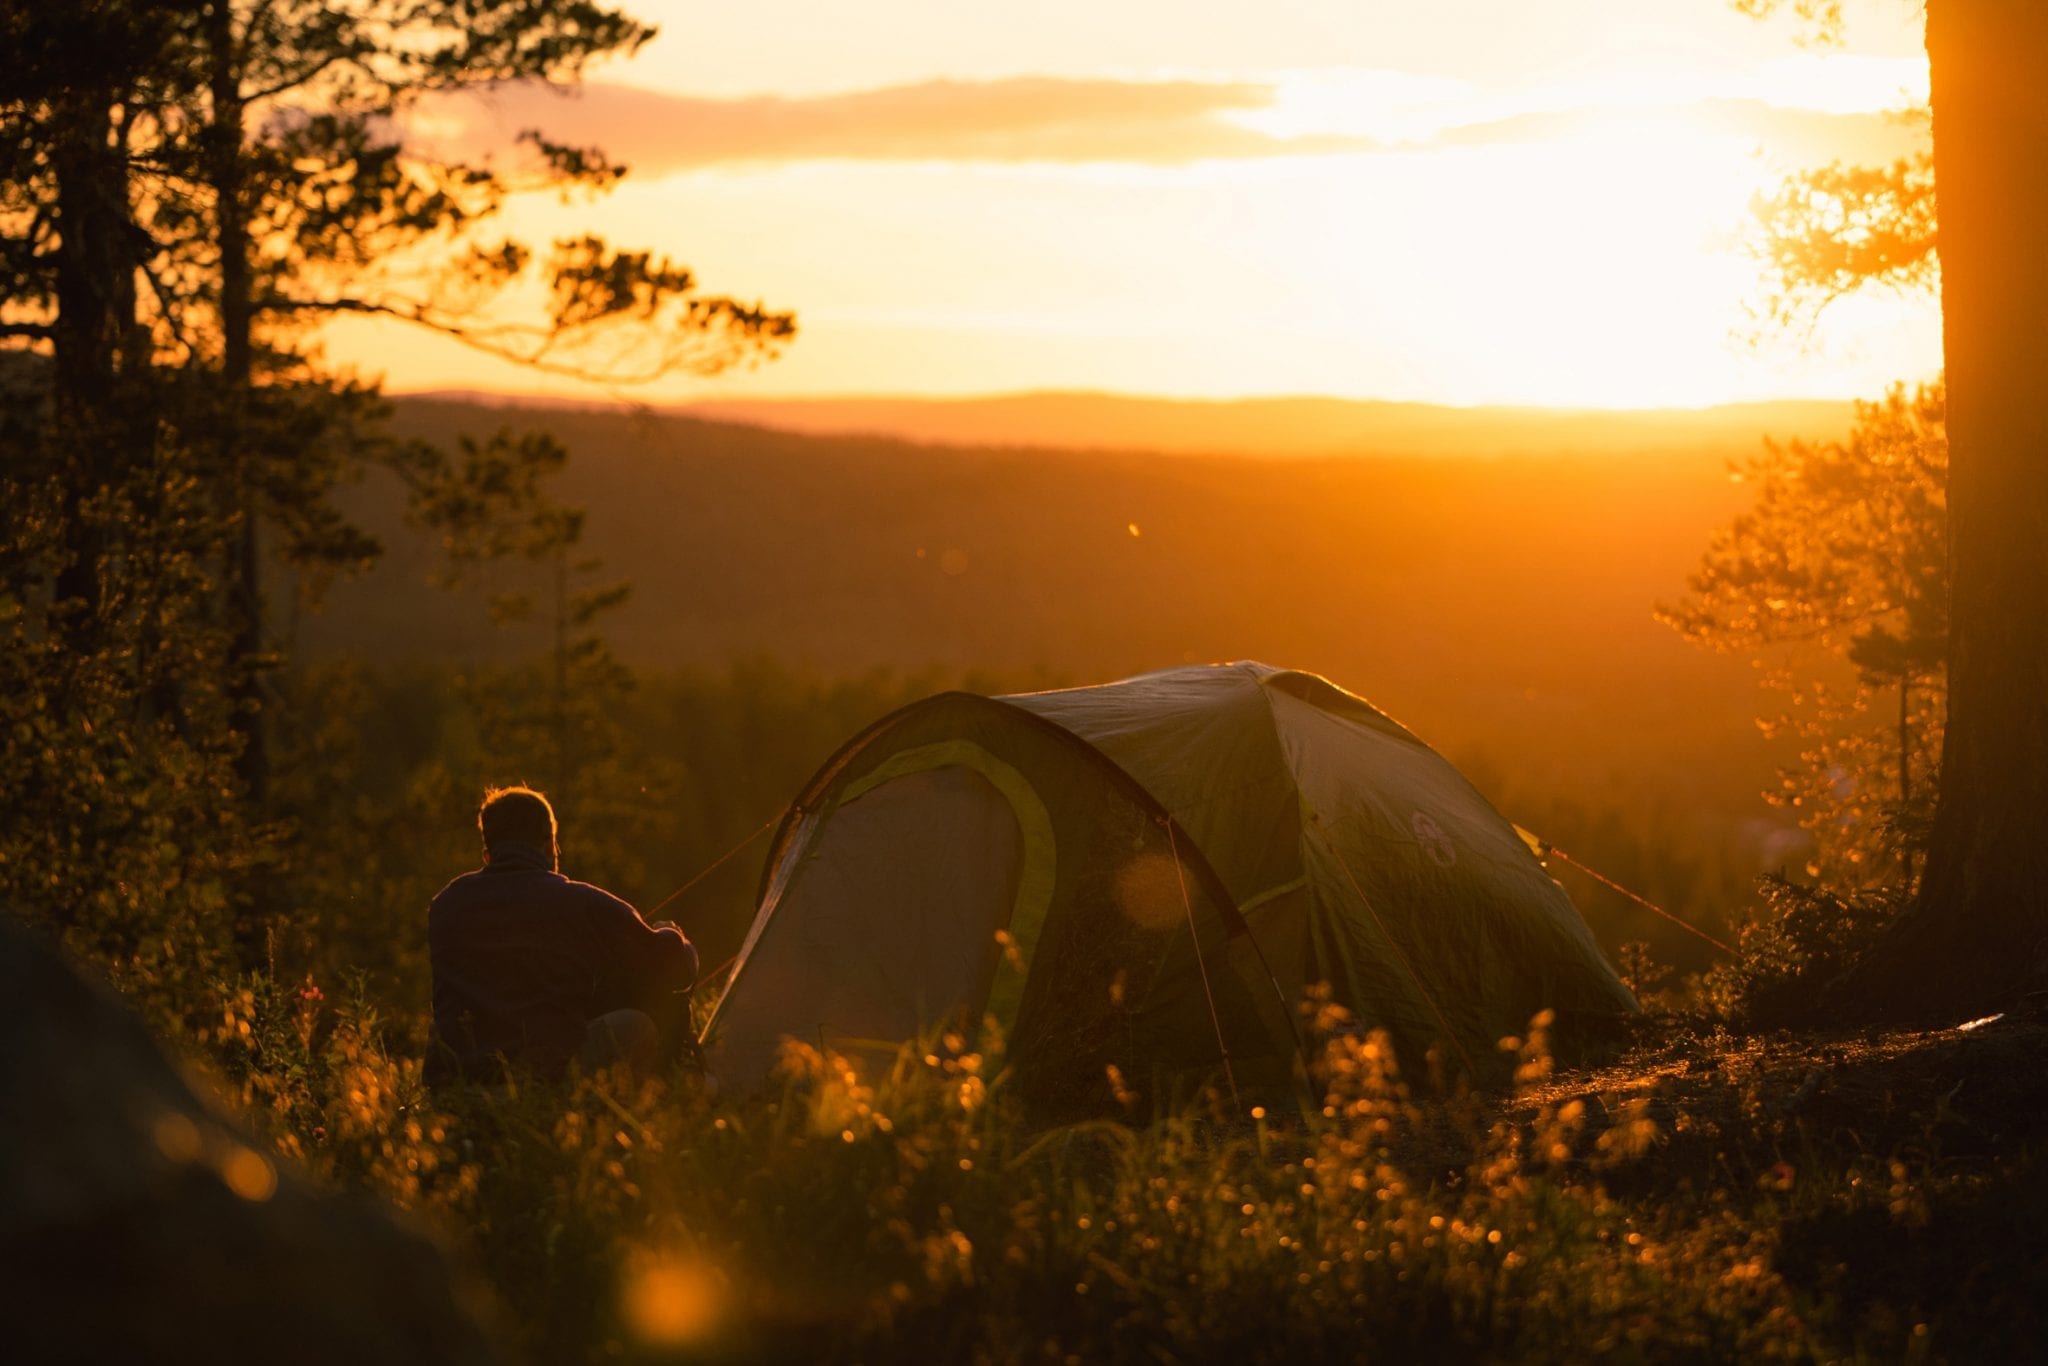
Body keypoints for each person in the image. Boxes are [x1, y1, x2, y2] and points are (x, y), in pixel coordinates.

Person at [428, 785, 697, 1082]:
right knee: (638, 1024)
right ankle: (634, 1116)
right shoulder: (579, 902)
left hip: (454, 1084)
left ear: (488, 855)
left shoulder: (445, 905)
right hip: (541, 1076)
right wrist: (670, 935)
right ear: (549, 845)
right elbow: (675, 967)